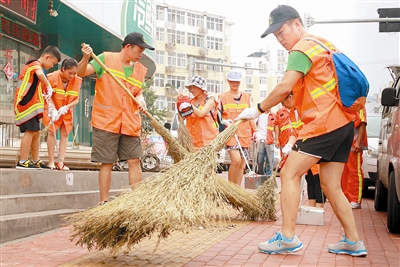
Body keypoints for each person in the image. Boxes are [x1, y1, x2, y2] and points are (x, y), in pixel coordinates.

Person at [235, 5, 367, 256]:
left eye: (282, 31)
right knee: (331, 185)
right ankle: (353, 241)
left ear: (297, 24)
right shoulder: (323, 44)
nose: (280, 39)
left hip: (323, 124)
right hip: (343, 124)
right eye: (276, 36)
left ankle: (287, 237)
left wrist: (258, 109)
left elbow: (286, 86)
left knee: (288, 173)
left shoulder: (301, 49)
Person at [77, 32, 154, 205]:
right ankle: (104, 201)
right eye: (139, 49)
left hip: (130, 122)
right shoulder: (105, 59)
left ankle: (137, 202)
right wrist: (85, 58)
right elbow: (81, 72)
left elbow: (138, 92)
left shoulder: (140, 69)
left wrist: (142, 101)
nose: (141, 53)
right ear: (128, 47)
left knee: (134, 160)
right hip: (106, 121)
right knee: (107, 162)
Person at [14, 46, 61, 170]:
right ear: (47, 57)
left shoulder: (39, 70)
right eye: (53, 63)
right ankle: (23, 161)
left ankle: (35, 160)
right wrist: (49, 85)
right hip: (25, 103)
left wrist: (50, 106)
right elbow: (40, 74)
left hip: (32, 105)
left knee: (37, 132)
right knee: (30, 131)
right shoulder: (34, 64)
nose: (52, 66)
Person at [218, 69, 257, 185]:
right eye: (232, 81)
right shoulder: (222, 97)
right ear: (228, 82)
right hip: (231, 134)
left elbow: (251, 116)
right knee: (235, 160)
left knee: (242, 163)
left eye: (237, 82)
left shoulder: (247, 97)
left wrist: (256, 130)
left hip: (245, 134)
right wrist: (224, 121)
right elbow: (217, 116)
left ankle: (237, 189)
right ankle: (230, 187)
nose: (234, 84)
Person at [42, 58, 82, 170]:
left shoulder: (77, 80)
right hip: (53, 110)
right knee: (51, 132)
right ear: (63, 69)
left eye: (74, 73)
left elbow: (76, 99)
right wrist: (53, 109)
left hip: (66, 111)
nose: (72, 76)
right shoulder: (51, 78)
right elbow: (47, 95)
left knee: (65, 134)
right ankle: (51, 161)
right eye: (70, 73)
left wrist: (66, 107)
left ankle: (61, 162)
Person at [176, 75, 219, 150]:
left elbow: (201, 114)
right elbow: (181, 119)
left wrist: (188, 104)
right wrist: (180, 104)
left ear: (201, 88)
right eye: (190, 87)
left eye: (194, 87)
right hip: (192, 141)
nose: (192, 90)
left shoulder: (210, 100)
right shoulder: (191, 101)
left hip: (208, 142)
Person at [341, 108, 368, 209]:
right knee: (344, 173)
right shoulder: (346, 104)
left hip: (354, 145)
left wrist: (358, 142)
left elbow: (363, 123)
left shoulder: (359, 106)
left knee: (354, 172)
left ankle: (355, 199)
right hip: (345, 145)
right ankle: (346, 198)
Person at [255, 109, 276, 177]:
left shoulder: (273, 115)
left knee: (270, 162)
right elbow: (254, 125)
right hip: (261, 141)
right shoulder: (259, 115)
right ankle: (262, 175)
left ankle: (268, 179)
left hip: (270, 141)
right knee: (260, 161)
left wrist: (276, 138)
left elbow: (276, 127)